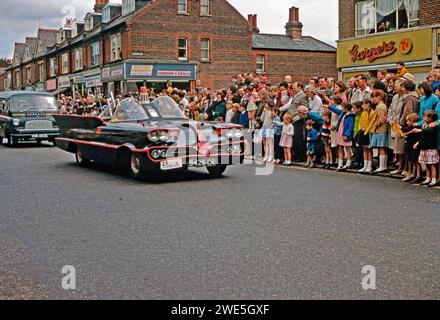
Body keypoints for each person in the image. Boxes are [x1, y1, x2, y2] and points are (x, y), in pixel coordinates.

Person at [326, 102, 355, 171]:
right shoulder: (343, 113)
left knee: (348, 148)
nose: (341, 108)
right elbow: (337, 110)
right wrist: (329, 106)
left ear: (346, 108)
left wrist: (346, 135)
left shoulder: (350, 116)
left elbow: (350, 127)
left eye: (342, 107)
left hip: (345, 134)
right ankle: (340, 163)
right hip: (340, 133)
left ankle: (348, 163)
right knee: (340, 148)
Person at [414, 110, 439, 186]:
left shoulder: (433, 125)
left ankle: (434, 180)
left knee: (432, 164)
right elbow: (423, 136)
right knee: (427, 164)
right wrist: (418, 143)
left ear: (430, 118)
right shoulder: (425, 125)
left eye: (425, 117)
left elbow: (429, 131)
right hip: (424, 147)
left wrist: (420, 130)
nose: (423, 118)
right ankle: (428, 178)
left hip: (431, 148)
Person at [368, 90, 389, 173]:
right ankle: (382, 166)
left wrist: (373, 125)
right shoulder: (381, 106)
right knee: (381, 148)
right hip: (380, 130)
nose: (373, 99)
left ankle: (382, 166)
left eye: (374, 97)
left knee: (381, 148)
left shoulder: (380, 106)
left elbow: (381, 120)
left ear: (379, 97)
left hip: (380, 130)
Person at [401, 113, 422, 183]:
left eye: (408, 121)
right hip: (409, 145)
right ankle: (412, 174)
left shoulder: (417, 128)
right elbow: (405, 130)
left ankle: (418, 175)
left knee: (416, 161)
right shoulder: (409, 127)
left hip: (414, 146)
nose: (407, 122)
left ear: (412, 121)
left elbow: (409, 133)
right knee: (410, 159)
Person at [358, 99, 375, 173]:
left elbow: (372, 123)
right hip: (363, 132)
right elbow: (360, 123)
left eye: (364, 104)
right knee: (364, 149)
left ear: (368, 104)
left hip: (369, 133)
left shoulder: (372, 112)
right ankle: (365, 165)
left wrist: (366, 131)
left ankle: (369, 165)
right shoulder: (363, 113)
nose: (362, 106)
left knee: (369, 149)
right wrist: (360, 130)